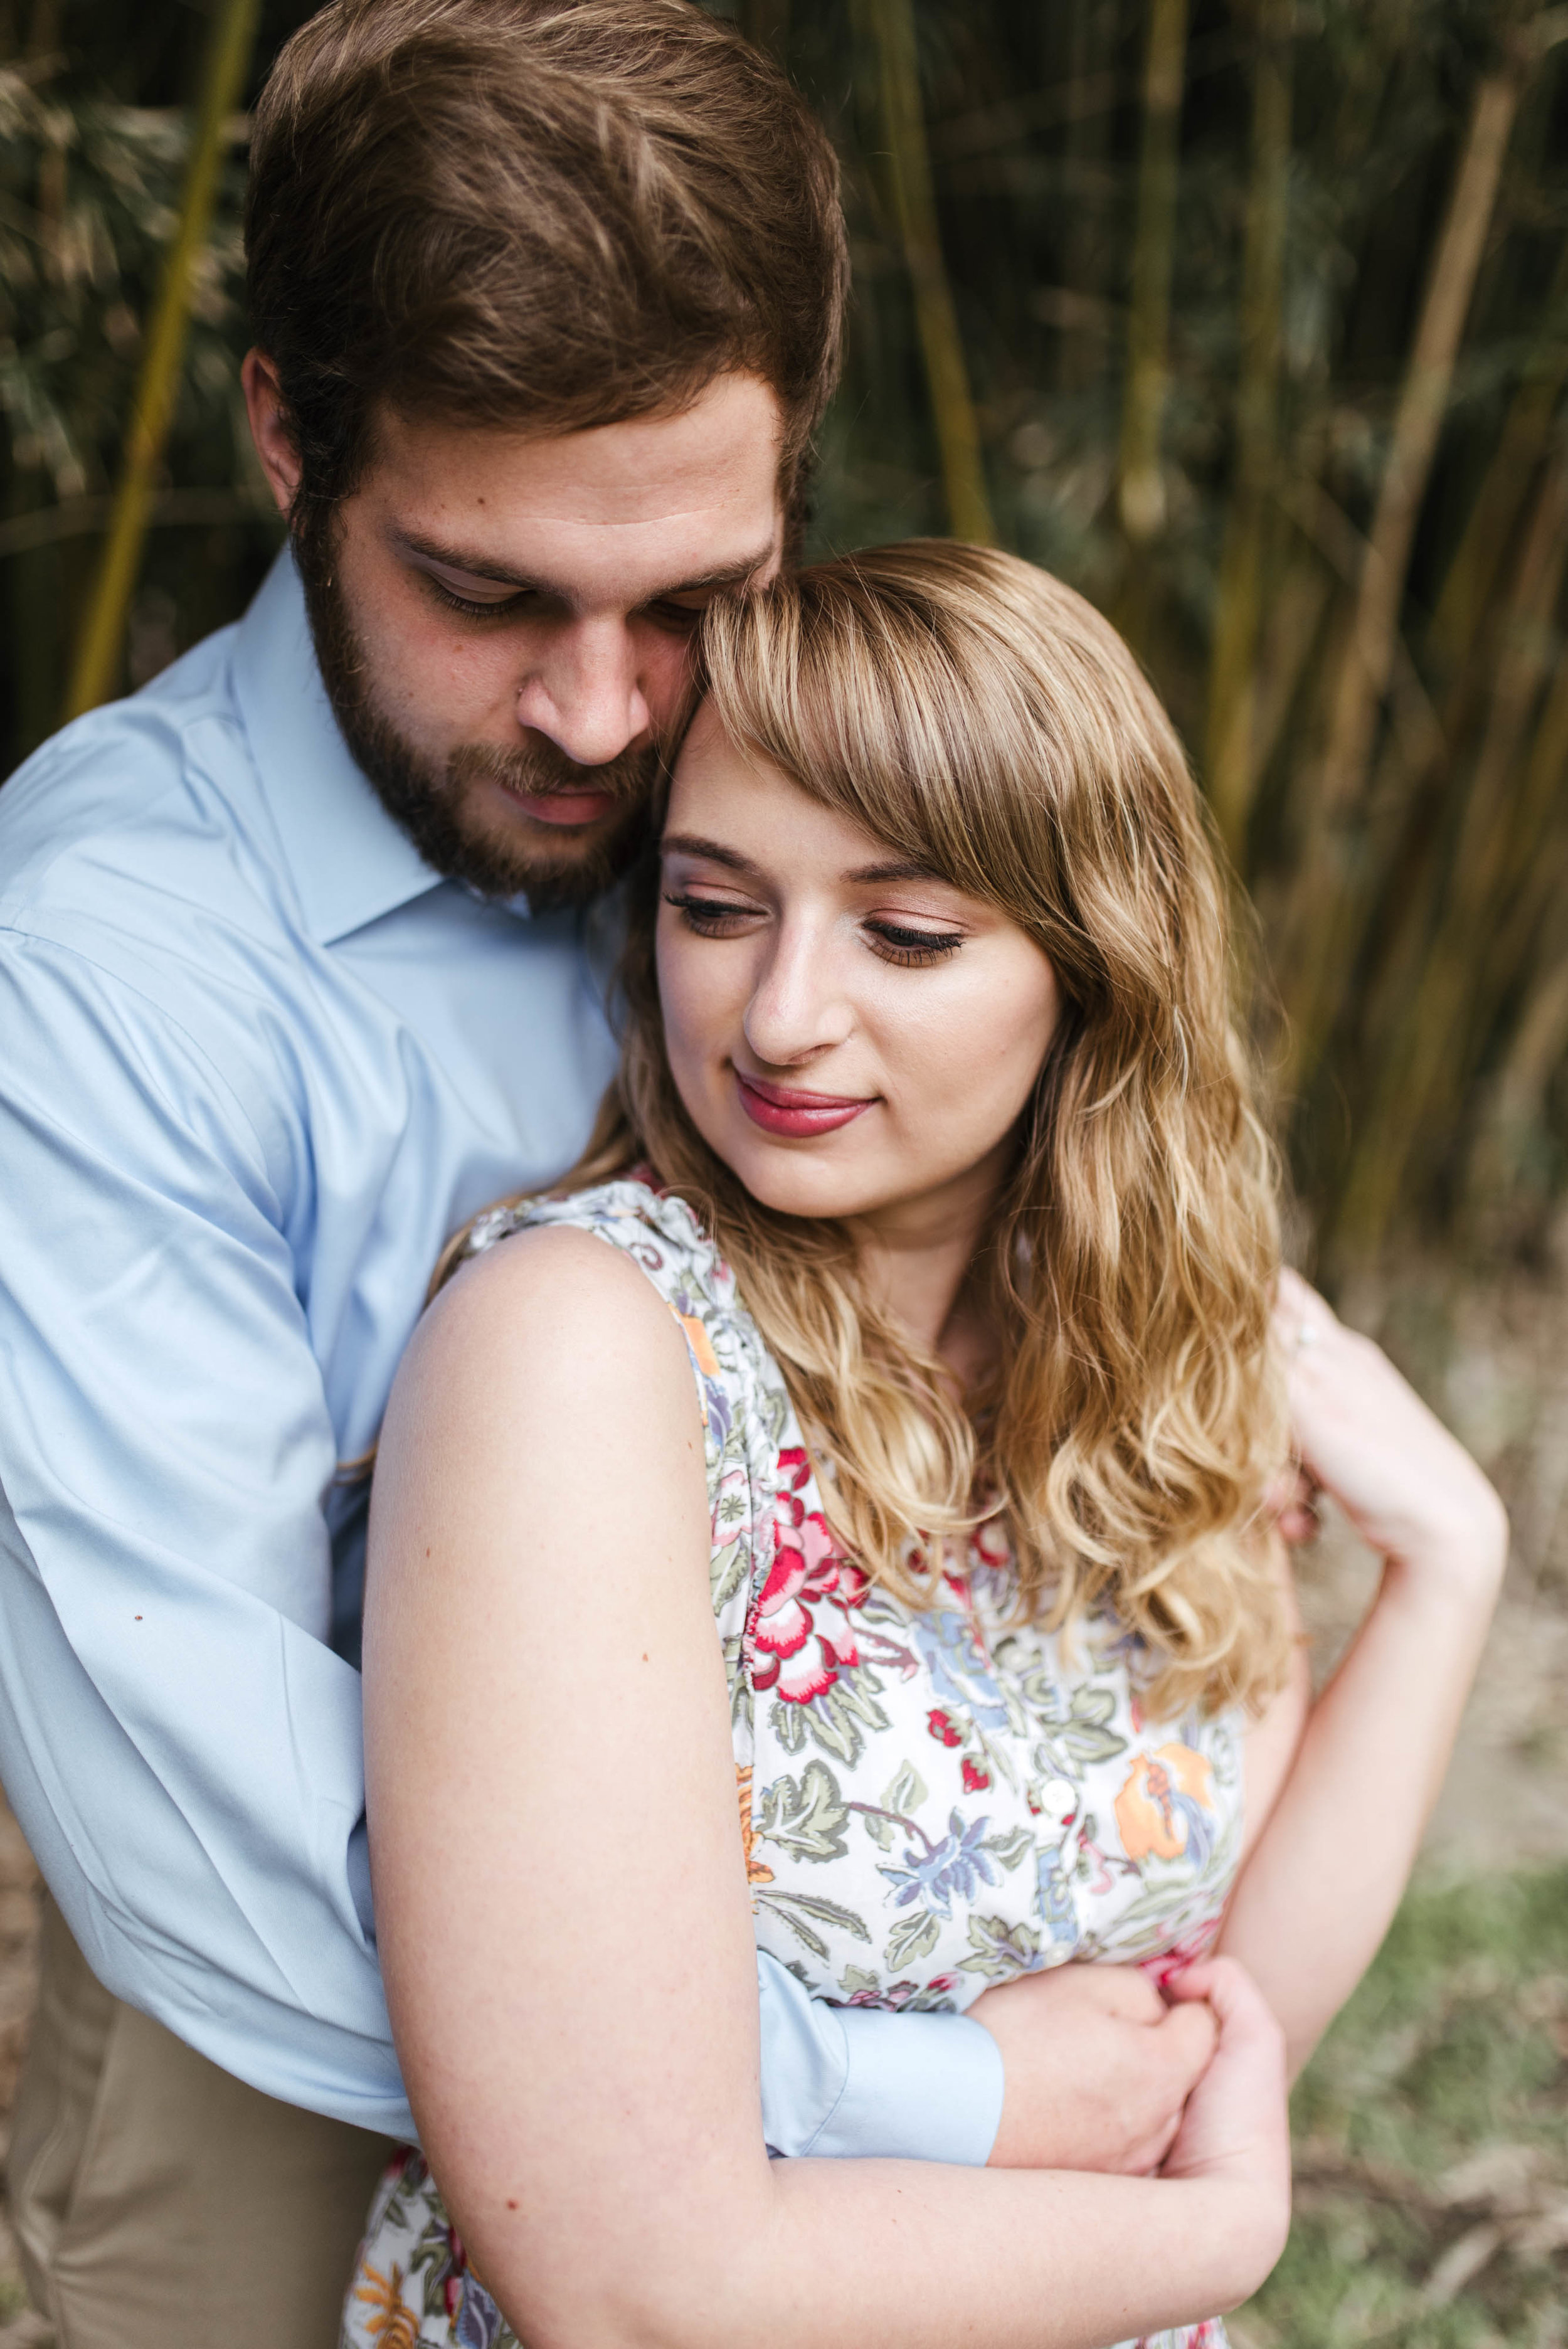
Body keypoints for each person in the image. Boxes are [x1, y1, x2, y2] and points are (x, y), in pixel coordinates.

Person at [0, 8, 1213, 2345]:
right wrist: (881, 2096)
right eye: (485, 594)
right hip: (283, 2106)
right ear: (285, 434)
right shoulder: (95, 971)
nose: (600, 715)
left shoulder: (785, 787)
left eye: (685, 598)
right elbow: (210, 1834)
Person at [349, 543, 1508, 2349]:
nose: (784, 1011)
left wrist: (1445, 1564)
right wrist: (1209, 2248)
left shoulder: (1127, 1361)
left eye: (901, 931)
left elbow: (1200, 2024)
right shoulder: (585, 1352)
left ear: (1087, 966)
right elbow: (634, 2287)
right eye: (716, 904)